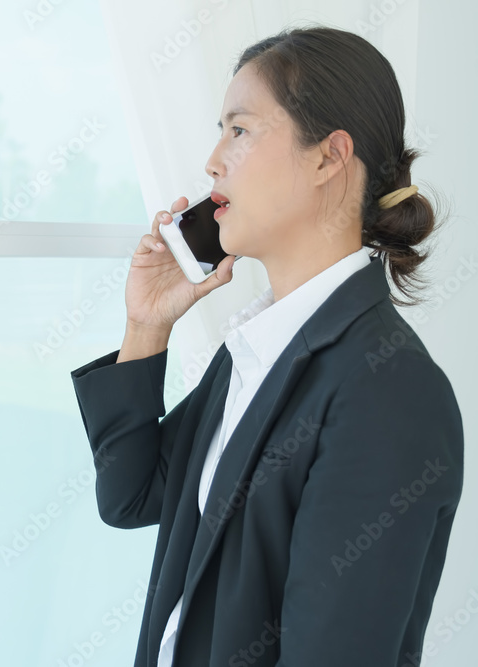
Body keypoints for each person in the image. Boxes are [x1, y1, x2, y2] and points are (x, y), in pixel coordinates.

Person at [70, 25, 465, 667]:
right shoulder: (254, 354)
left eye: (240, 130)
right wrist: (146, 328)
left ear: (328, 157)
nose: (212, 160)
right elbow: (133, 496)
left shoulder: (390, 391)